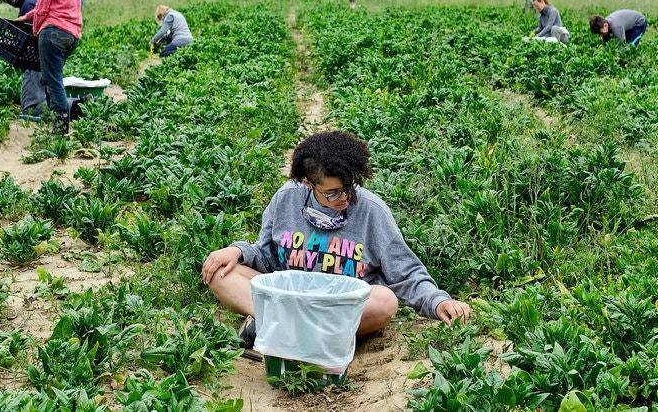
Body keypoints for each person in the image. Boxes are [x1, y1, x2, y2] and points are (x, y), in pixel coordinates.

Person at [202, 130, 471, 348]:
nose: (344, 198)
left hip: (341, 307)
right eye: (332, 193)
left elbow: (406, 272)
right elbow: (267, 257)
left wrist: (438, 301)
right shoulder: (285, 199)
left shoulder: (372, 211)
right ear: (308, 184)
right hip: (292, 295)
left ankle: (277, 329)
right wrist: (237, 251)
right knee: (220, 272)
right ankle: (309, 336)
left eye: (348, 188)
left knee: (385, 301)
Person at [16, 0, 83, 134]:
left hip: (53, 32)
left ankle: (61, 128)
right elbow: (60, 3)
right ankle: (63, 114)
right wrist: (27, 16)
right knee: (51, 77)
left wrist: (35, 30)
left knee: (53, 80)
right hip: (72, 34)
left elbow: (43, 8)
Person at [0, 0, 46, 120]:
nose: (5, 0)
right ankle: (77, 105)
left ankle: (32, 116)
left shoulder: (28, 5)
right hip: (43, 55)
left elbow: (28, 39)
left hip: (36, 59)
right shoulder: (29, 1)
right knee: (48, 96)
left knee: (34, 104)